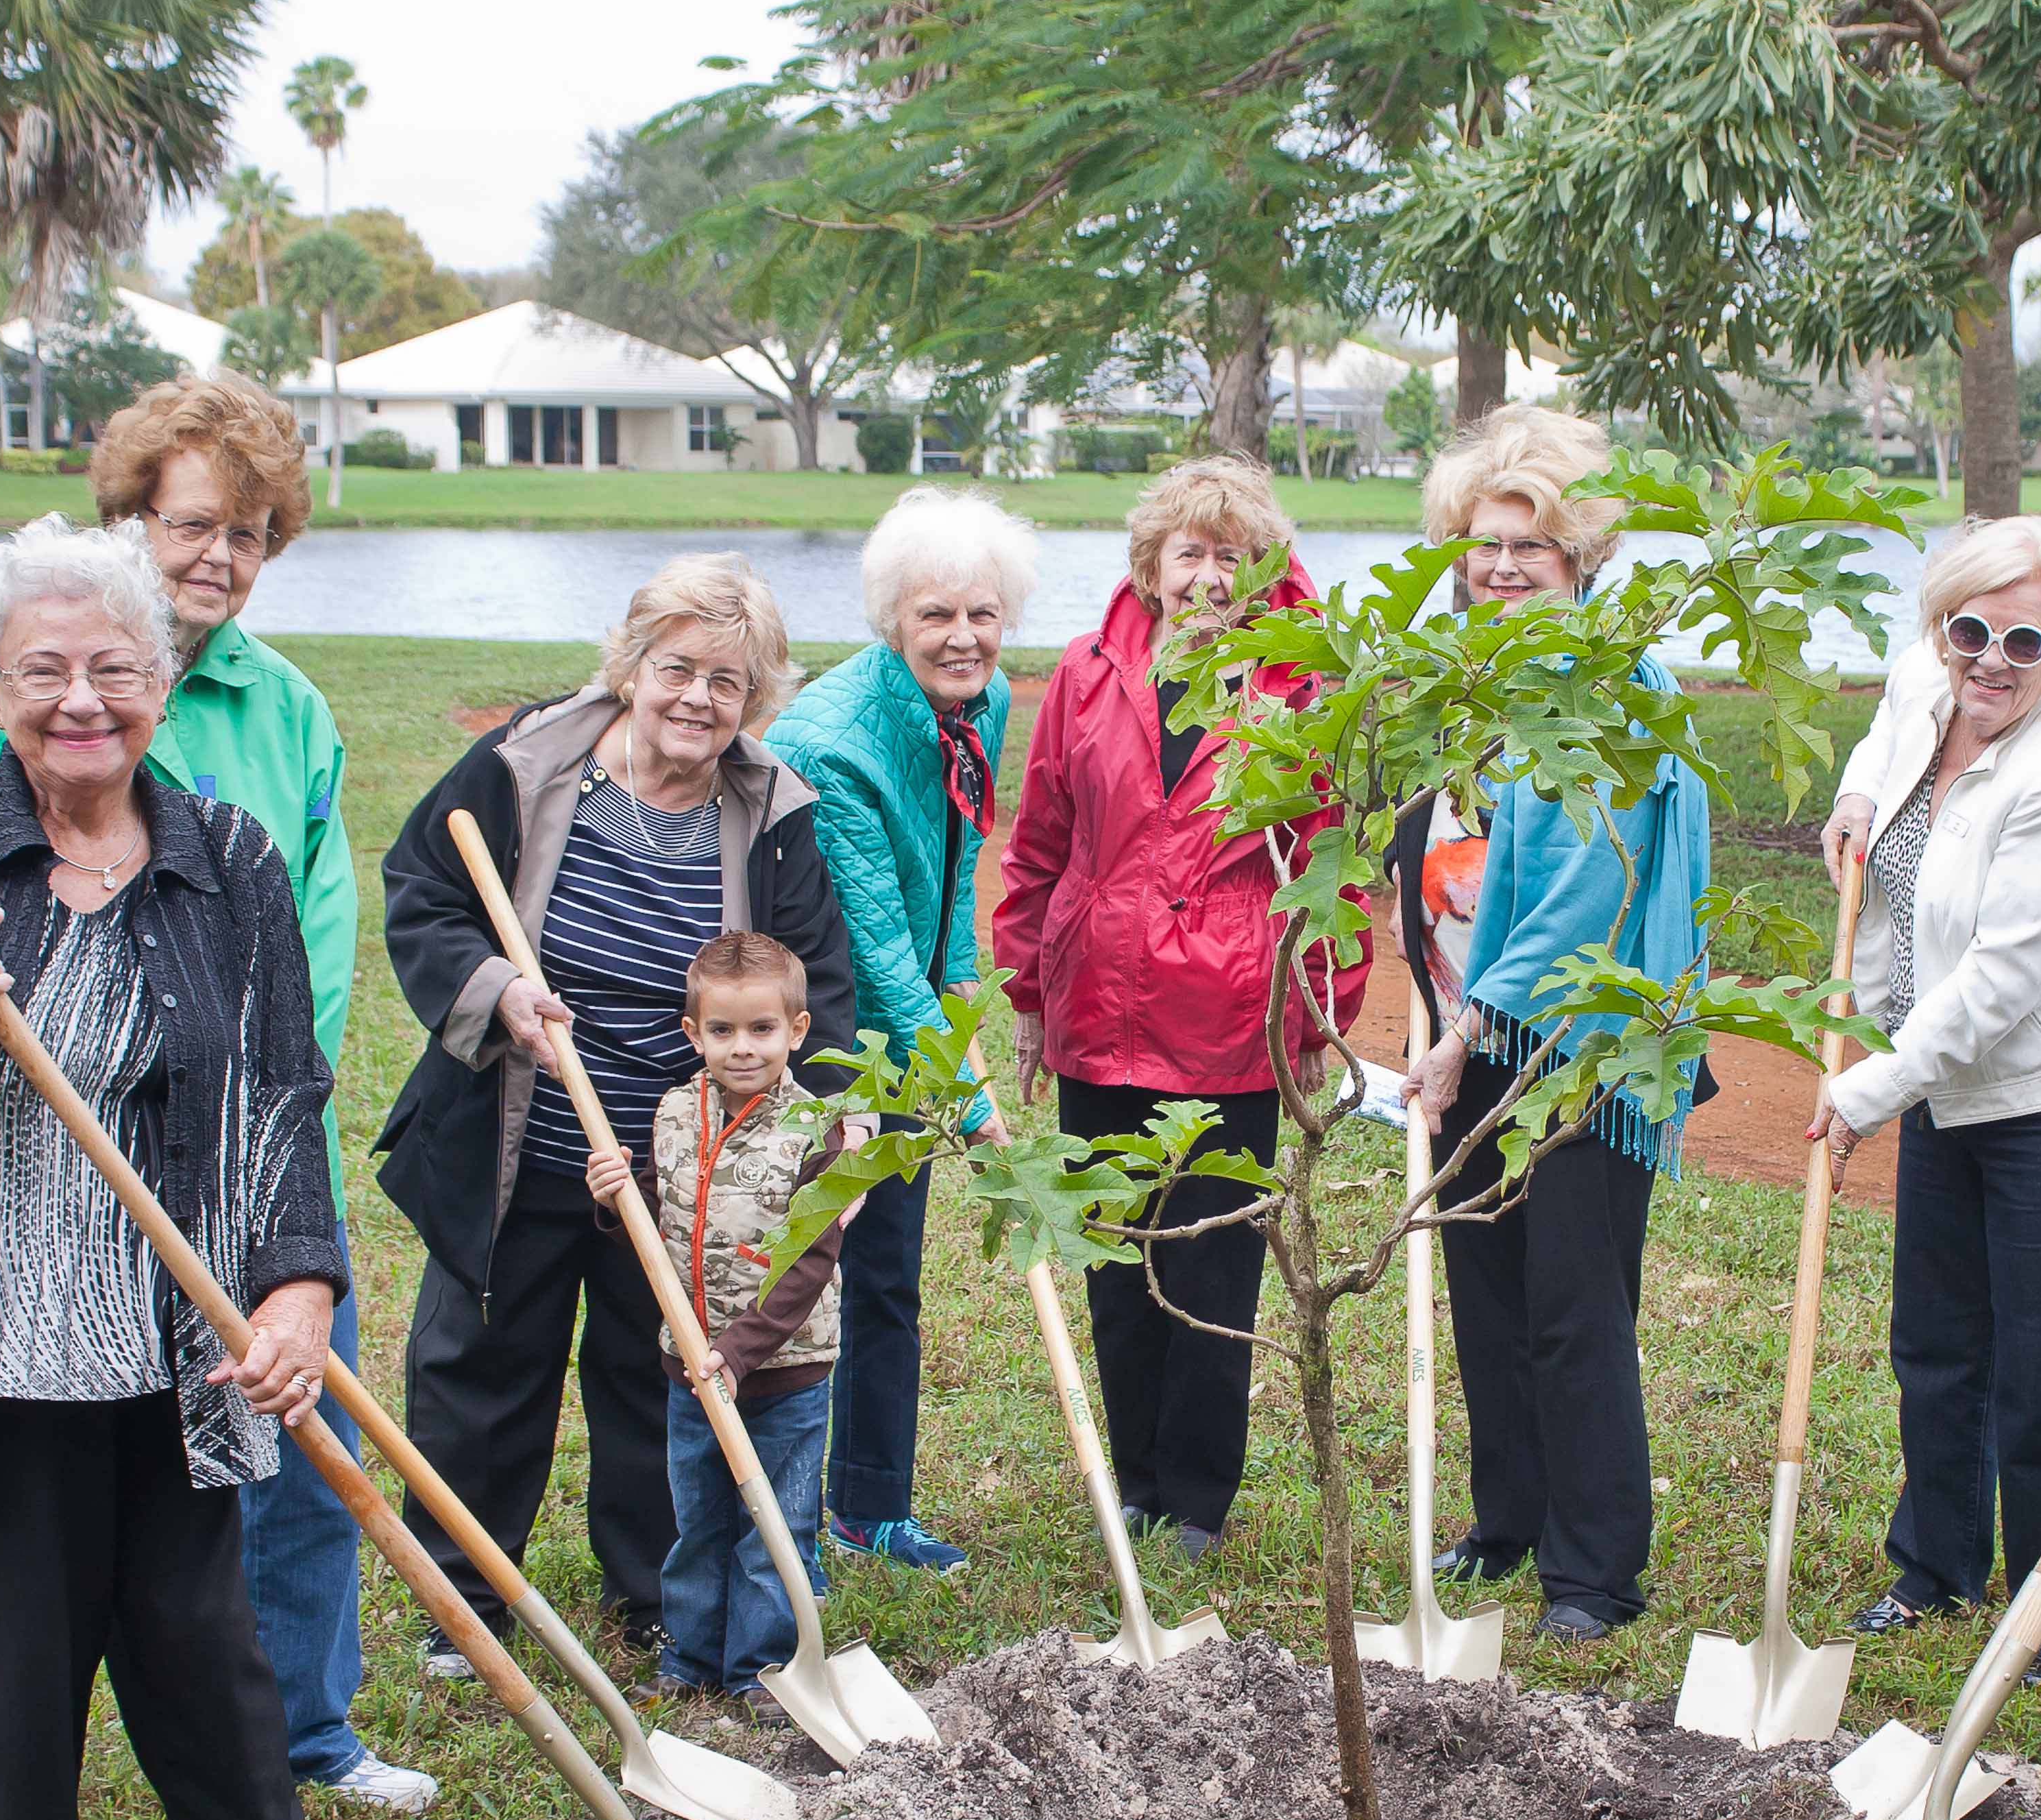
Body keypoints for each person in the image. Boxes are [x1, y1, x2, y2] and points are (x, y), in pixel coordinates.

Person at [0, 375, 426, 1820]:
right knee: (10, 1528)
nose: (221, 557)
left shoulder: (282, 702)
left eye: (250, 533)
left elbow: (304, 902)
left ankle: (309, 1731)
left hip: (239, 1124)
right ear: (129, 519)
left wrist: (289, 1068)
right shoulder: (13, 661)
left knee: (290, 1435)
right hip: (25, 1156)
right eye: (194, 523)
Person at [376, 555, 855, 1660]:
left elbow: (812, 980)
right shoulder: (523, 766)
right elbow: (425, 894)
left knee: (660, 1372)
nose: (696, 699)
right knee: (482, 1374)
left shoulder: (770, 813)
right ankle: (467, 1605)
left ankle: (651, 1594)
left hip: (682, 1161)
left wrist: (817, 1122)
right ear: (632, 665)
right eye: (676, 668)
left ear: (754, 702)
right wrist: (497, 992)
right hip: (518, 1129)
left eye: (726, 683)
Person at [1807, 517, 2041, 1665]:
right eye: (1969, 630)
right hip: (1950, 1086)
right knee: (1935, 1338)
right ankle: (1936, 1569)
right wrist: (1859, 799)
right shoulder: (1932, 676)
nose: (1990, 661)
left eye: (2025, 642)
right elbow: (1887, 729)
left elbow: (2000, 984)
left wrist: (1876, 1085)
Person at [991, 456, 1364, 1560]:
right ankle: (1139, 1478)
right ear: (1150, 567)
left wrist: (1319, 1018)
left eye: (1233, 558)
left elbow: (1334, 868)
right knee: (1114, 1256)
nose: (1208, 578)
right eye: (1189, 554)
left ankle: (1196, 1500)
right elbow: (1041, 838)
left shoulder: (1304, 687)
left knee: (1209, 1259)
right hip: (1098, 1003)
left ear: (1264, 574)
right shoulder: (1083, 671)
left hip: (1229, 1013)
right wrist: (1026, 993)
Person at [1396, 407, 1704, 1642]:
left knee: (1575, 1310)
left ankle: (1592, 1571)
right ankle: (1507, 1520)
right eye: (1485, 543)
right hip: (1467, 1034)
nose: (1506, 564)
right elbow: (1429, 873)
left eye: (1532, 543)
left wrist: (1462, 1034)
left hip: (1580, 1054)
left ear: (1581, 555)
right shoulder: (1465, 693)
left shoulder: (1611, 695)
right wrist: (1434, 1019)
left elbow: (1579, 900)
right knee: (1486, 1294)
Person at [762, 486, 1025, 1577]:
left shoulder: (988, 698)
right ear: (890, 621)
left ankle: (869, 1505)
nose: (961, 638)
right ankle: (768, 1511)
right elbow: (870, 951)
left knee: (890, 1270)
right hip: (815, 1026)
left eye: (981, 613)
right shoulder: (829, 747)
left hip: (909, 1019)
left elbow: (957, 877)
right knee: (801, 1267)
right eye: (934, 616)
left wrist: (960, 1015)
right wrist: (966, 1099)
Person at [583, 933, 849, 1698]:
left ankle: (761, 1671)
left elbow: (811, 1260)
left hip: (785, 1371)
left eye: (762, 1029)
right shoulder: (674, 1112)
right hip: (688, 1368)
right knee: (696, 1521)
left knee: (775, 1528)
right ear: (691, 1032)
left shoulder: (817, 1130)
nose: (742, 1048)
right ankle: (689, 1658)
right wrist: (615, 1199)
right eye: (722, 1031)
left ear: (796, 1031)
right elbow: (663, 1220)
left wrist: (739, 1351)